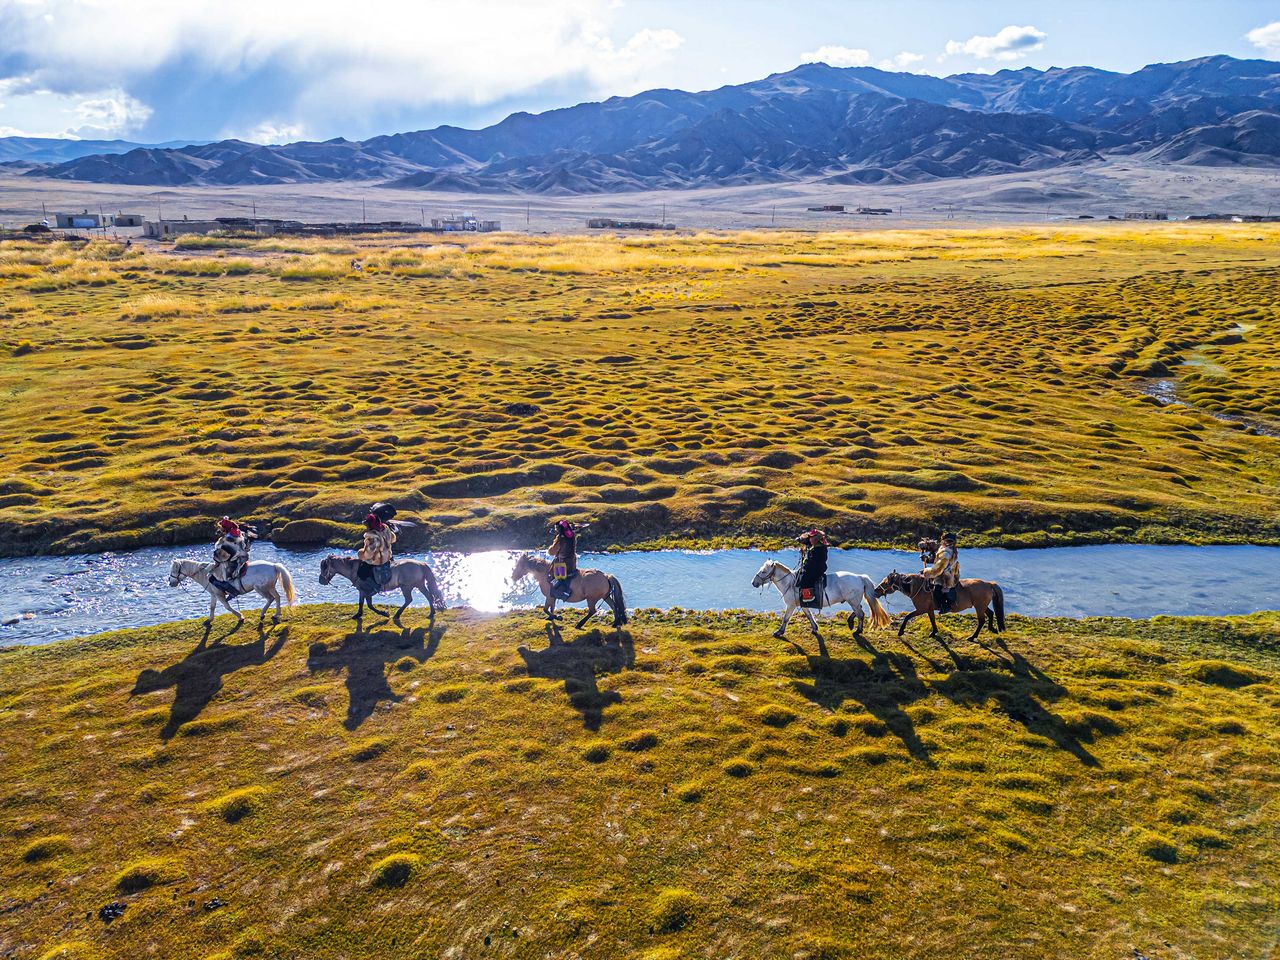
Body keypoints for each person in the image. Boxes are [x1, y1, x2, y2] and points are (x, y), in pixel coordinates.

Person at [210, 517, 255, 596]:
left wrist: (216, 560)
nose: (220, 530)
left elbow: (222, 551)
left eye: (221, 528)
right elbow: (246, 547)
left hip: (235, 559)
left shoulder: (226, 539)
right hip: (243, 556)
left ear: (225, 529)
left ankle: (233, 591)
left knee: (222, 575)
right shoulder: (239, 533)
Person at [548, 519, 589, 599]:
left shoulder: (560, 538)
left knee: (554, 580)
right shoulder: (572, 535)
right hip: (572, 563)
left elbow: (551, 552)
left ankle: (563, 593)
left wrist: (554, 543)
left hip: (562, 564)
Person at [922, 531, 960, 613]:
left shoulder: (946, 553)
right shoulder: (951, 549)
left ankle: (945, 606)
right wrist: (928, 559)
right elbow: (938, 561)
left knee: (936, 591)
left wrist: (926, 571)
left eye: (948, 541)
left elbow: (938, 570)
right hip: (951, 572)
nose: (947, 542)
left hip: (945, 577)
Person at [357, 511, 396, 589]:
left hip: (378, 561)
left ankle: (373, 588)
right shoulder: (386, 529)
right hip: (388, 557)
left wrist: (360, 553)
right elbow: (393, 539)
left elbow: (368, 555)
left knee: (361, 573)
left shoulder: (371, 538)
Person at [795, 529, 829, 607]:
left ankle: (809, 598)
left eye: (811, 538)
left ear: (815, 539)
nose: (809, 539)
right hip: (816, 567)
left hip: (817, 569)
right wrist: (800, 539)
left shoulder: (818, 550)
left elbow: (813, 563)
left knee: (804, 580)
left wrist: (805, 566)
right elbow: (806, 541)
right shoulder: (816, 545)